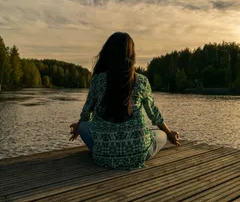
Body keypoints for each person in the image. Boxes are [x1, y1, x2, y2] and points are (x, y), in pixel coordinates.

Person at [69, 32, 180, 170]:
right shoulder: (141, 81)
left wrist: (78, 127)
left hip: (103, 155)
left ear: (108, 53)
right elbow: (154, 114)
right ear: (132, 55)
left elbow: (86, 112)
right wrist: (169, 133)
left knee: (84, 126)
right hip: (138, 154)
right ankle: (150, 139)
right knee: (161, 135)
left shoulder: (97, 80)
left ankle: (104, 146)